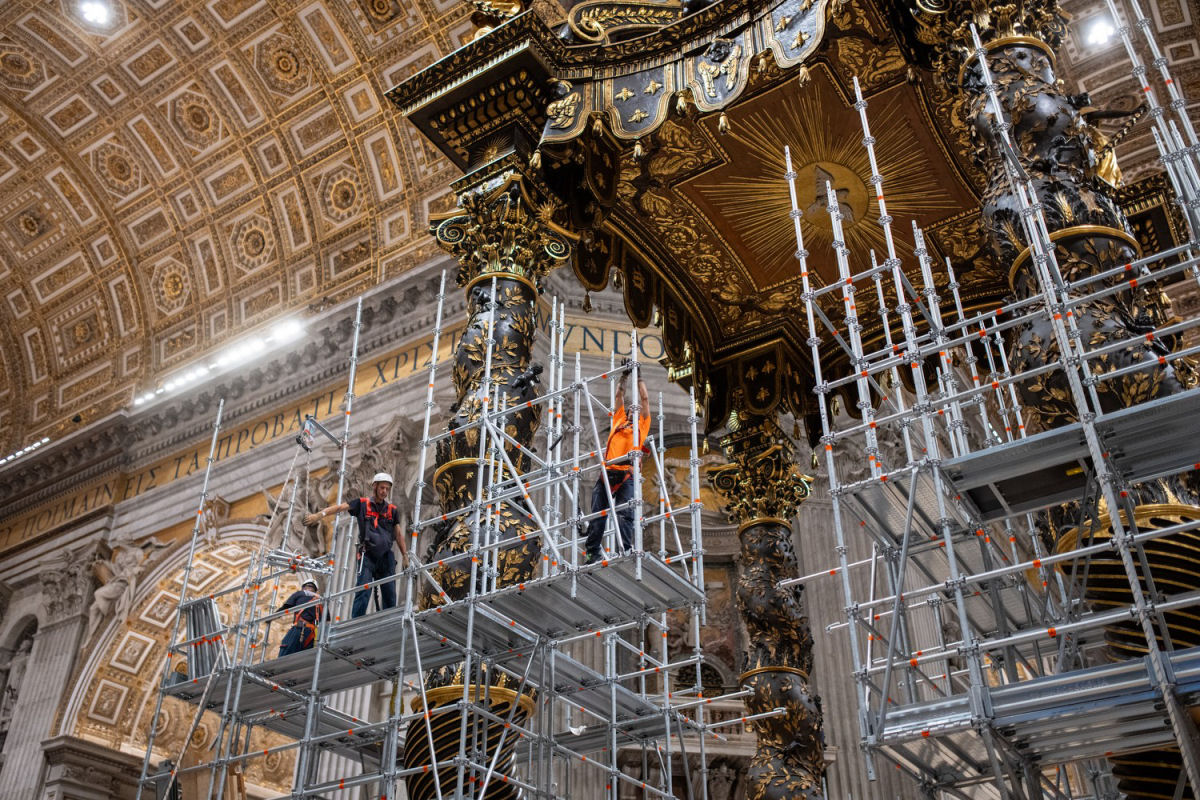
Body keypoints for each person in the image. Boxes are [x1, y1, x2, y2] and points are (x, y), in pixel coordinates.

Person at [304, 473, 407, 618]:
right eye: (382, 487)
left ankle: (389, 619)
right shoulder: (362, 504)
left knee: (389, 591)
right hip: (367, 555)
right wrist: (319, 515)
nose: (384, 491)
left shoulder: (392, 510)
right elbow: (339, 508)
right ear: (375, 487)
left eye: (387, 489)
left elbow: (398, 534)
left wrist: (405, 555)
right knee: (363, 590)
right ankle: (356, 620)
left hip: (385, 556)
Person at [584, 374, 650, 564]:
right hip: (607, 473)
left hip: (626, 475)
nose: (634, 410)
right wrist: (624, 376)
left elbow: (644, 399)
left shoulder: (642, 427)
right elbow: (619, 395)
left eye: (637, 410)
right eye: (632, 409)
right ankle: (592, 552)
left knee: (625, 514)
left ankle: (626, 550)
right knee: (598, 515)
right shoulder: (618, 422)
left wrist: (639, 377)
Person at [277, 580, 323, 657]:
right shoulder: (321, 601)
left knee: (285, 651)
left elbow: (286, 607)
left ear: (303, 587)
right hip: (311, 635)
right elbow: (326, 621)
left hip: (299, 629)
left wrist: (273, 616)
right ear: (315, 590)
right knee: (303, 658)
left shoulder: (299, 594)